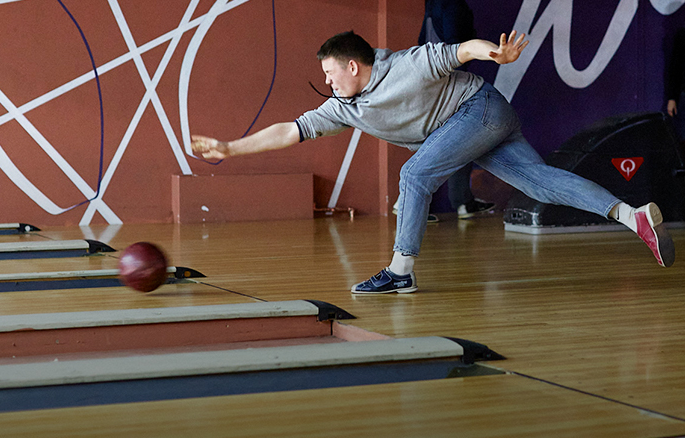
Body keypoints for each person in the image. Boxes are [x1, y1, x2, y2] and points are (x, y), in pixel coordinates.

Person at [192, 30, 676, 294]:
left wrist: (496, 54)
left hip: (480, 109)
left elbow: (461, 51)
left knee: (413, 172)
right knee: (540, 184)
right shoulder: (343, 106)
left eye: (329, 71)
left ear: (353, 66)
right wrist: (231, 148)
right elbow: (289, 130)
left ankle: (400, 271)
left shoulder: (403, 65)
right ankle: (632, 216)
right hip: (473, 131)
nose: (327, 80)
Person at [413, 0, 495, 221]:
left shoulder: (432, 4)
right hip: (450, 83)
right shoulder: (451, 4)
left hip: (432, 81)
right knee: (460, 138)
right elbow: (456, 47)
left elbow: (423, 43)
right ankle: (411, 202)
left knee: (444, 140)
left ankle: (460, 202)